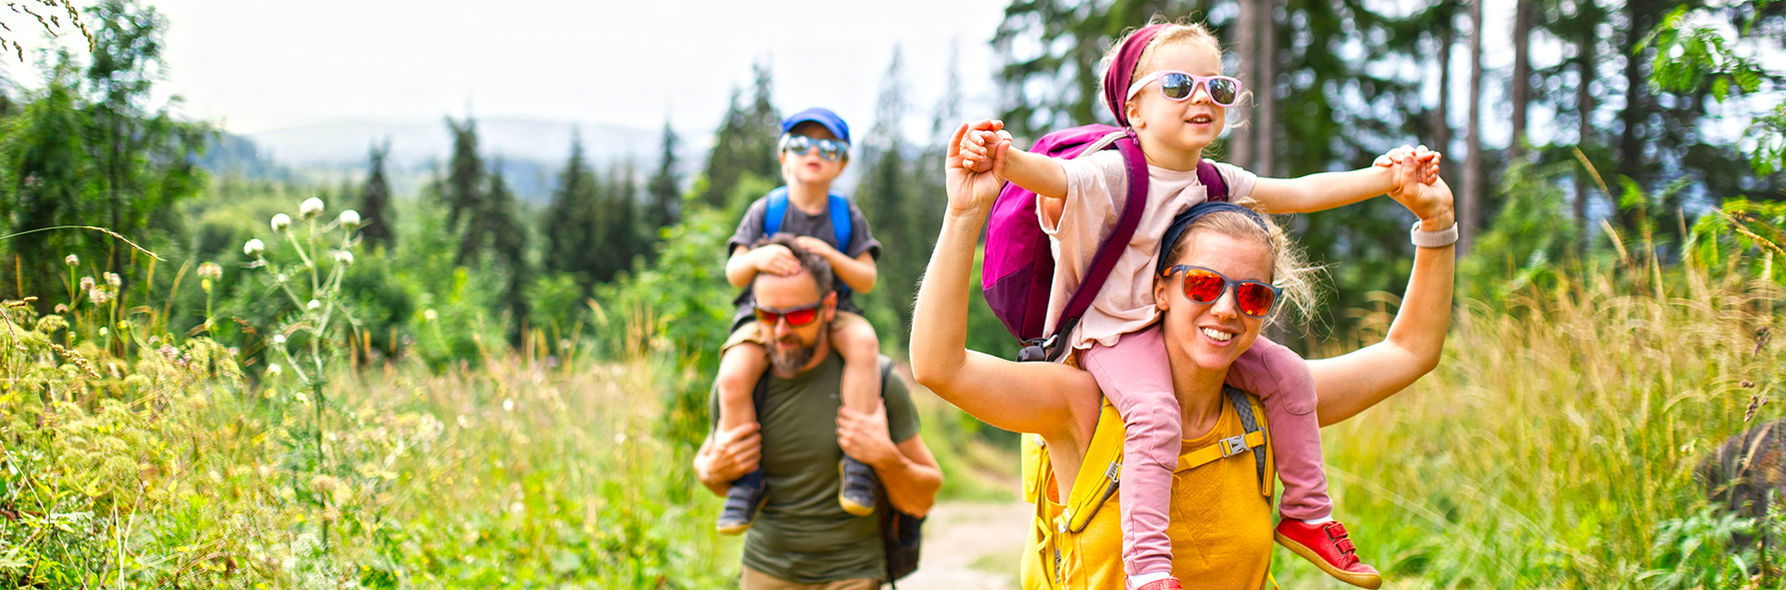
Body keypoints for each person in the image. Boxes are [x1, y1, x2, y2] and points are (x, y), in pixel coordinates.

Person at [955, 19, 1444, 589]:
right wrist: (1000, 157)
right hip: (1113, 338)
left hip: (1168, 329)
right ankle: (1148, 567)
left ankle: (1307, 515)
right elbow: (1050, 176)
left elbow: (1301, 192)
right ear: (1134, 109)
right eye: (1178, 85)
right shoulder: (1109, 172)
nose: (1203, 98)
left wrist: (1387, 179)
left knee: (1289, 377)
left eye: (1219, 87)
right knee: (1154, 413)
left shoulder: (1214, 180)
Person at [696, 235, 943, 589]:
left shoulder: (878, 383)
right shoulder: (739, 386)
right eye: (767, 315)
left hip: (854, 574)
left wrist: (884, 457)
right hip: (763, 573)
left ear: (829, 307)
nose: (781, 331)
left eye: (798, 315)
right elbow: (711, 470)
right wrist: (712, 471)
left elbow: (923, 497)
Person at [715, 107, 889, 534]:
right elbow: (735, 271)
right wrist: (757, 257)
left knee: (864, 345)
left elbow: (866, 278)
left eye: (828, 147)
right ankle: (746, 478)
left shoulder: (845, 215)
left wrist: (830, 256)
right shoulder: (766, 209)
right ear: (783, 156)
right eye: (801, 144)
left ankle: (857, 462)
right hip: (765, 315)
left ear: (842, 163)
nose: (814, 153)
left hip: (833, 311)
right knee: (733, 376)